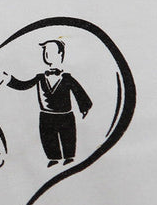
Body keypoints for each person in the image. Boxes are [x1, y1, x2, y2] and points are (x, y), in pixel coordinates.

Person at [5, 39, 92, 167]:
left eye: (50, 51)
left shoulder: (67, 78)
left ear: (60, 54)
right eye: (45, 51)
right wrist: (9, 80)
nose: (46, 54)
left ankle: (69, 158)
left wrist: (84, 106)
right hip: (46, 115)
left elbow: (78, 92)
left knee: (67, 137)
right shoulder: (40, 77)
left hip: (65, 115)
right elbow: (24, 85)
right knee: (48, 138)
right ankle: (53, 158)